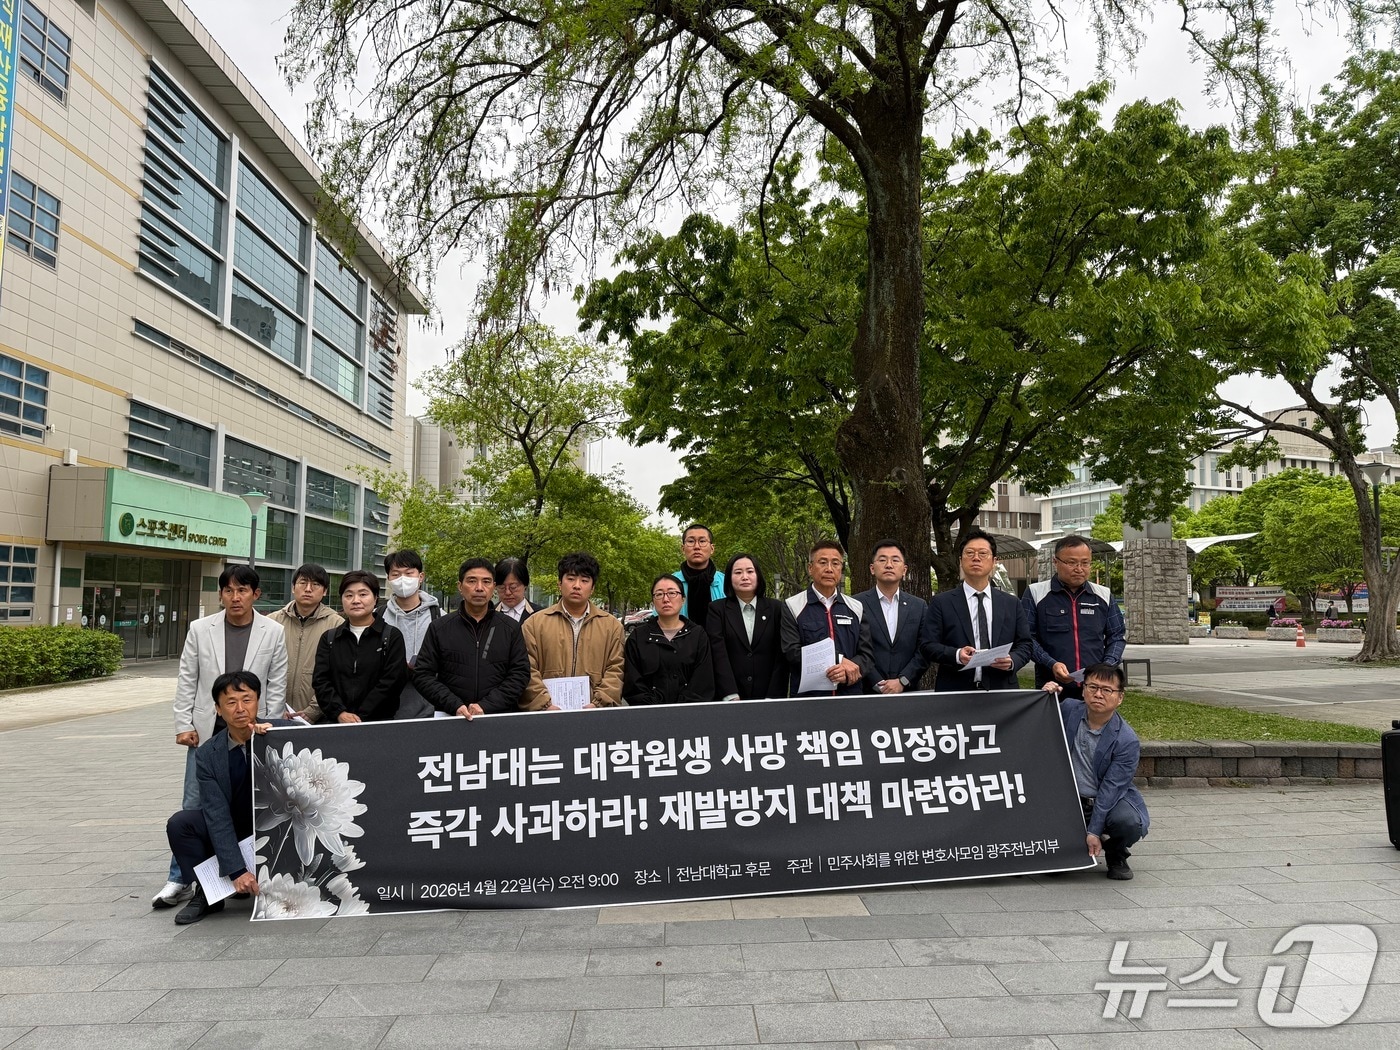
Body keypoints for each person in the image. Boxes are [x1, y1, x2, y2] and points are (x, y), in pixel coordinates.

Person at [156, 564, 287, 909]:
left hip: (253, 730)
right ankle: (182, 878)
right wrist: (183, 723)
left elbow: (276, 684)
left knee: (256, 803)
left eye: (242, 590)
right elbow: (187, 678)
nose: (235, 597)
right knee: (194, 804)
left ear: (256, 594)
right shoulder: (200, 629)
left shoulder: (273, 631)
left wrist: (269, 726)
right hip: (207, 729)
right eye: (228, 590)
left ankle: (252, 872)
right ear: (221, 594)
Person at [165, 670, 294, 924]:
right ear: (218, 709)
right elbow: (216, 814)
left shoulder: (282, 733)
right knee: (181, 824)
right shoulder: (208, 755)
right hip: (237, 825)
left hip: (280, 825)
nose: (240, 709)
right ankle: (208, 892)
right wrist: (236, 871)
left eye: (247, 700)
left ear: (258, 701)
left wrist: (274, 738)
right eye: (231, 702)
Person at [1053, 662, 1150, 880]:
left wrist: (1094, 831)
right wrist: (1046, 695)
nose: (1098, 694)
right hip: (1068, 801)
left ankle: (1116, 853)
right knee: (1055, 870)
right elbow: (1038, 718)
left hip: (1104, 800)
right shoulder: (1068, 709)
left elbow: (1110, 790)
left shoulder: (1126, 741)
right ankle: (1073, 845)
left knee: (1128, 822)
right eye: (1093, 687)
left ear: (1120, 697)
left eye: (1107, 690)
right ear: (1083, 689)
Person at [415, 558, 531, 717]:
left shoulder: (510, 628)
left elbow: (520, 674)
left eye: (486, 582)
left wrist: (486, 706)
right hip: (451, 717)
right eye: (471, 581)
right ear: (460, 586)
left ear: (493, 587)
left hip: (498, 717)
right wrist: (454, 705)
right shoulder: (439, 628)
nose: (479, 588)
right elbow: (423, 674)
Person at [921, 528, 1032, 692]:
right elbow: (927, 645)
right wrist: (957, 654)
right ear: (960, 560)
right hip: (956, 690)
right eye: (970, 553)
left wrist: (1012, 660)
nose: (976, 558)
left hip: (1001, 690)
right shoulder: (941, 602)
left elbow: (1025, 644)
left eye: (983, 553)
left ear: (994, 561)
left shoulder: (1011, 603)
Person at [1022, 536, 1126, 699]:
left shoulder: (1103, 595)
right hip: (1051, 686)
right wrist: (1051, 663)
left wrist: (1106, 666)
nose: (1079, 569)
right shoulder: (1036, 593)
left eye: (1085, 563)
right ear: (1055, 562)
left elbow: (1117, 636)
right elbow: (1027, 638)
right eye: (1071, 563)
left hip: (1094, 688)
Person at [521, 551, 626, 709]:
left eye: (584, 580)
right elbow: (527, 669)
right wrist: (544, 704)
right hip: (547, 714)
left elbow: (616, 669)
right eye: (570, 579)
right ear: (559, 583)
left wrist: (598, 704)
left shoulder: (611, 627)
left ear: (592, 588)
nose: (577, 585)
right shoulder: (534, 624)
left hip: (594, 715)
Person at [313, 570, 409, 723]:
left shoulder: (391, 636)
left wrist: (360, 717)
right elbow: (321, 681)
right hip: (337, 722)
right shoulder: (330, 638)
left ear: (375, 598)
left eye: (363, 594)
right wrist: (340, 713)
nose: (355, 600)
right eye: (349, 595)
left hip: (379, 722)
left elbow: (393, 681)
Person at [786, 540, 874, 697]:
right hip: (809, 699)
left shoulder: (856, 607)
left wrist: (847, 671)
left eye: (835, 563)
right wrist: (838, 659)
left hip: (849, 696)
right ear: (810, 568)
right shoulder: (793, 606)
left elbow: (866, 655)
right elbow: (792, 652)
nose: (829, 569)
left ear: (841, 569)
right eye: (822, 562)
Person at [706, 553, 799, 700]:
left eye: (750, 571)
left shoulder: (776, 608)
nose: (744, 577)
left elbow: (781, 656)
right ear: (729, 578)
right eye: (738, 572)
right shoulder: (717, 609)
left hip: (769, 697)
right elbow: (718, 654)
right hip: (731, 697)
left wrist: (773, 696)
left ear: (758, 576)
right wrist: (730, 694)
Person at [266, 563, 343, 723]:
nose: (308, 589)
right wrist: (276, 709)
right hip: (274, 714)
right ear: (293, 587)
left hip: (321, 716)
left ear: (325, 591)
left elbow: (339, 673)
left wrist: (314, 710)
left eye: (315, 584)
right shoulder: (272, 622)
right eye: (303, 583)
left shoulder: (337, 625)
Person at [624, 575, 716, 705]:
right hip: (648, 713)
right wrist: (656, 708)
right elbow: (633, 683)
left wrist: (680, 709)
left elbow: (703, 681)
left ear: (683, 599)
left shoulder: (697, 635)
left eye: (672, 593)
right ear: (653, 601)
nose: (666, 599)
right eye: (659, 594)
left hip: (690, 711)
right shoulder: (638, 637)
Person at [853, 539, 930, 694]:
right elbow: (853, 647)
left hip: (908, 692)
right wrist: (877, 682)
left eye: (895, 560)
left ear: (904, 570)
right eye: (882, 560)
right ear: (872, 568)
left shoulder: (919, 606)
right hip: (867, 692)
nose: (889, 565)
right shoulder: (856, 604)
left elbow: (925, 649)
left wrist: (903, 681)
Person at [380, 549, 442, 719]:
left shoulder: (440, 617)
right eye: (396, 574)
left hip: (429, 708)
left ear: (421, 577)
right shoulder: (378, 617)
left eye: (408, 573)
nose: (402, 579)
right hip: (384, 708)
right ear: (388, 578)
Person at [672, 523, 726, 628]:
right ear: (683, 549)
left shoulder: (726, 582)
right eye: (691, 541)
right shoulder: (671, 583)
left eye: (702, 541)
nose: (697, 547)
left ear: (712, 548)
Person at [495, 557, 537, 623]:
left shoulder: (540, 615)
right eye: (502, 587)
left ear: (525, 585)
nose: (507, 592)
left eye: (513, 587)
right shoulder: (487, 615)